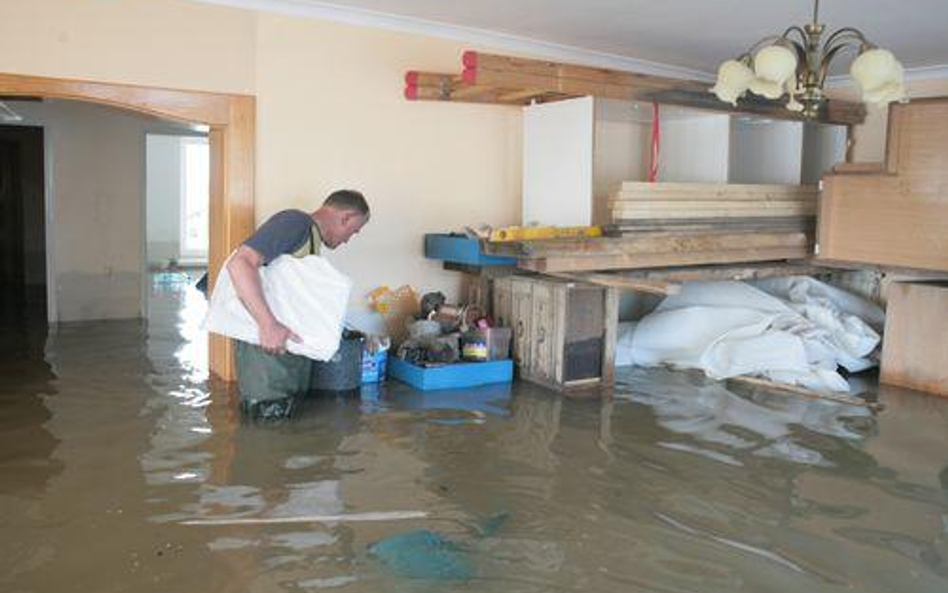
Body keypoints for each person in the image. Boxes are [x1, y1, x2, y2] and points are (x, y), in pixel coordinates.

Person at [227, 189, 369, 418]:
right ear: (346, 217)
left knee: (282, 435)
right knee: (266, 432)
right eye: (353, 232)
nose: (347, 240)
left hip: (282, 351)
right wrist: (268, 324)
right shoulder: (295, 223)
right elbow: (240, 263)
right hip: (267, 354)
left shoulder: (309, 238)